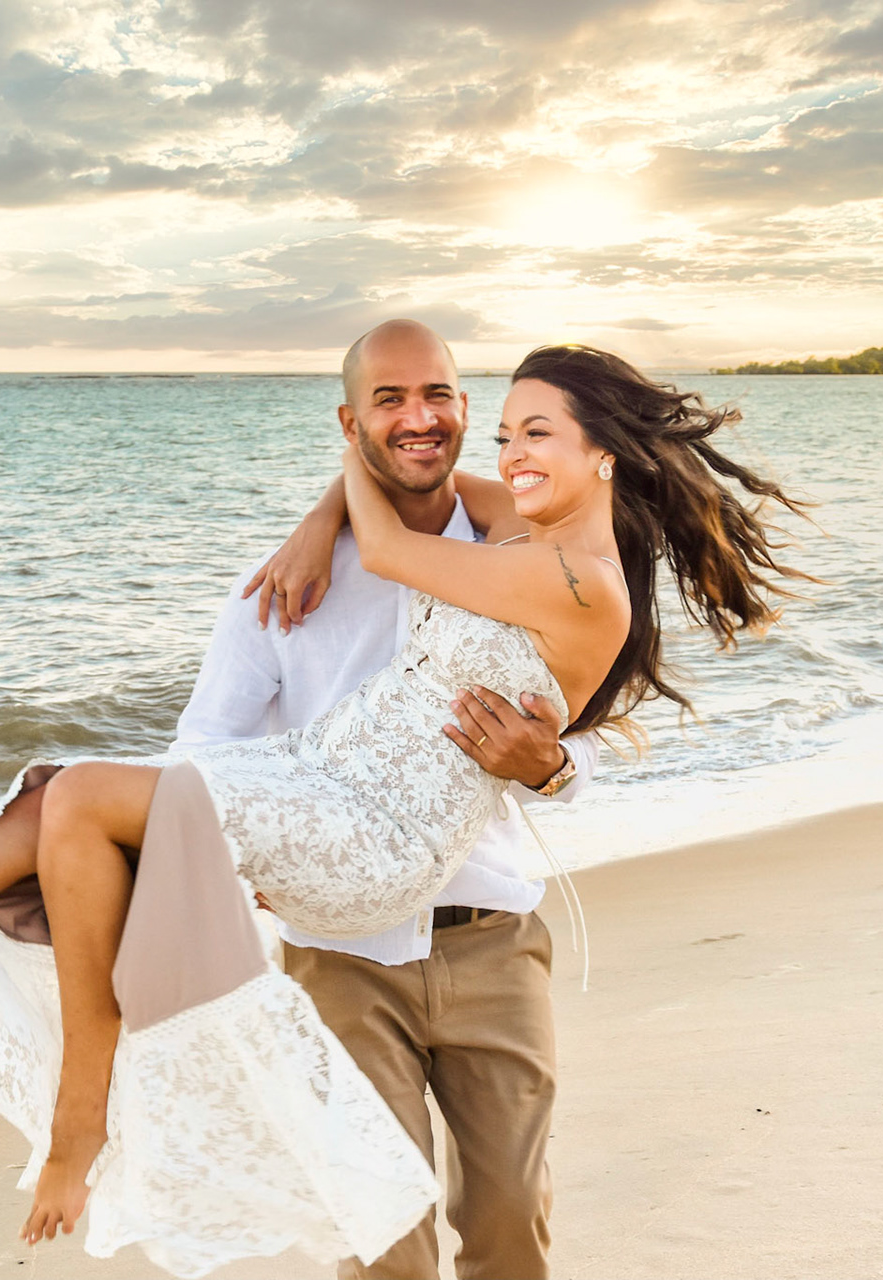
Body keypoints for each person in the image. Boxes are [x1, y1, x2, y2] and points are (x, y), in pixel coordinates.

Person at [0, 337, 806, 1278]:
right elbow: (389, 515)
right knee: (64, 806)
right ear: (359, 425)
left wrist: (358, 513)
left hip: (406, 861)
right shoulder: (499, 528)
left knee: (505, 1232)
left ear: (605, 452)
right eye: (499, 429)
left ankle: (77, 1112)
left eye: (534, 431)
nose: (503, 449)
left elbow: (395, 543)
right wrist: (325, 510)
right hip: (330, 848)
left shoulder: (560, 571)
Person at [174, 319, 596, 1280]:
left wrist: (552, 767)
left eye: (439, 394)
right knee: (384, 1245)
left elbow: (592, 730)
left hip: (493, 935)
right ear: (350, 420)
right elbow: (203, 753)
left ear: (464, 409)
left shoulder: (524, 557)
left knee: (513, 1225)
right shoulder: (282, 592)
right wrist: (252, 857)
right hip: (344, 960)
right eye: (390, 399)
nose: (419, 418)